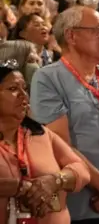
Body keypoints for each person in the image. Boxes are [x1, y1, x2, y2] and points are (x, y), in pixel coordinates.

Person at [30, 6, 99, 223]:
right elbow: (61, 146)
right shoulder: (47, 79)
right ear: (71, 35)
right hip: (79, 207)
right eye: (97, 30)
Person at [0, 59, 90, 224]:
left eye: (24, 88)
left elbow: (81, 170)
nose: (23, 95)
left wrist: (55, 181)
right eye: (13, 89)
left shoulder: (41, 134)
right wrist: (20, 188)